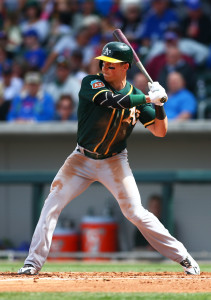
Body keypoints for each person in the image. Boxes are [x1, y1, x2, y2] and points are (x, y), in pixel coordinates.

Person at [18, 41, 200, 276]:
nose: (105, 66)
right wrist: (148, 99)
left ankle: (184, 258)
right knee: (52, 203)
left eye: (112, 64)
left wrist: (160, 105)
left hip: (114, 161)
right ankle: (33, 263)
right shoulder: (91, 82)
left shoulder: (135, 93)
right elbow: (111, 101)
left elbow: (160, 131)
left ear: (125, 66)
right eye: (103, 62)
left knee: (135, 212)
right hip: (81, 159)